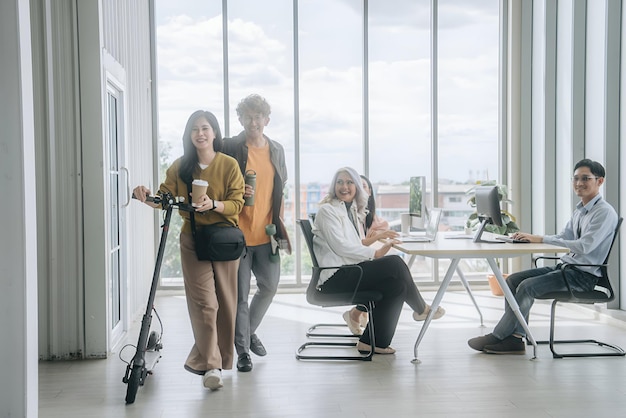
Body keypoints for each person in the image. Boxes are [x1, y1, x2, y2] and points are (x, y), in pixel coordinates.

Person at [133, 110, 245, 390]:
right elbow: (164, 198)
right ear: (189, 135)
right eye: (194, 129)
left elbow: (237, 203)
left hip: (224, 241)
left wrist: (214, 205)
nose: (200, 134)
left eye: (205, 128)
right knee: (205, 304)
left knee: (226, 306)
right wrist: (146, 196)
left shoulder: (229, 165)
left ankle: (217, 357)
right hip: (193, 239)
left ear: (214, 133)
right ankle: (211, 365)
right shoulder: (180, 166)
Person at [468, 159, 618, 355]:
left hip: (583, 277)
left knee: (526, 287)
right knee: (513, 280)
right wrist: (532, 238)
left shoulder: (604, 213)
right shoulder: (580, 211)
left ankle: (499, 336)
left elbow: (585, 246)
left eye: (585, 178)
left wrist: (540, 239)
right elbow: (564, 238)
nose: (579, 183)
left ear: (600, 181)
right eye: (575, 179)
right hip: (567, 269)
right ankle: (516, 338)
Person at [313, 167, 445, 354]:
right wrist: (374, 254)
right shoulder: (327, 211)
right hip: (334, 278)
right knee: (395, 263)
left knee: (397, 285)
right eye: (340, 182)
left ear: (357, 187)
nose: (344, 186)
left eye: (350, 182)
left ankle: (372, 342)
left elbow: (354, 243)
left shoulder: (348, 210)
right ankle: (421, 309)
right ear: (333, 186)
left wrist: (376, 246)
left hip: (348, 271)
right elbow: (340, 246)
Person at [222, 94, 289, 373]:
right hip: (238, 235)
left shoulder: (276, 150)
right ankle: (243, 352)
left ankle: (246, 333)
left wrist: (280, 226)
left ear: (267, 120)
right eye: (248, 116)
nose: (253, 121)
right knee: (240, 296)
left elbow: (280, 188)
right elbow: (218, 185)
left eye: (258, 116)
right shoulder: (230, 147)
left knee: (270, 287)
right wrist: (236, 191)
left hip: (267, 233)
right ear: (240, 119)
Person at [342, 175, 401, 334]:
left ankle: (357, 314)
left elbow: (378, 232)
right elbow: (357, 244)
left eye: (365, 187)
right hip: (353, 266)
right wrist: (371, 239)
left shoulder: (373, 218)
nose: (361, 190)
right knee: (391, 275)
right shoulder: (346, 215)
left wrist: (373, 238)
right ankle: (358, 315)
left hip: (365, 260)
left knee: (392, 268)